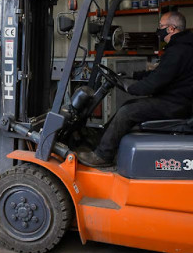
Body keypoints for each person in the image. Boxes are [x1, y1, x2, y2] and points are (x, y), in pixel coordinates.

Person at [79, 11, 193, 167]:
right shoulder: (183, 47)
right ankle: (100, 142)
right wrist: (133, 74)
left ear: (171, 29)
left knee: (127, 112)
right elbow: (160, 73)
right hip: (176, 100)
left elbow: (155, 82)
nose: (158, 30)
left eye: (161, 26)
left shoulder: (178, 51)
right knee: (128, 106)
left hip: (175, 104)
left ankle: (103, 155)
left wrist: (131, 87)